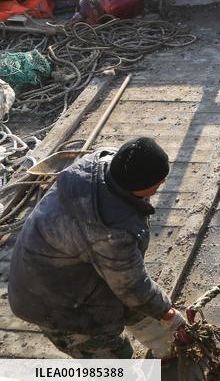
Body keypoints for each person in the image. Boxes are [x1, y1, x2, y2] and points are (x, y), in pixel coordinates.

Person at [8, 138, 188, 360]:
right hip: (52, 299)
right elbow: (131, 286)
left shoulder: (105, 163)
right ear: (139, 186)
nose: (163, 182)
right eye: (159, 181)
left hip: (79, 264)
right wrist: (166, 312)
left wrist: (160, 310)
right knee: (113, 357)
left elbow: (130, 286)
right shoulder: (111, 231)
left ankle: (170, 351)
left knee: (140, 306)